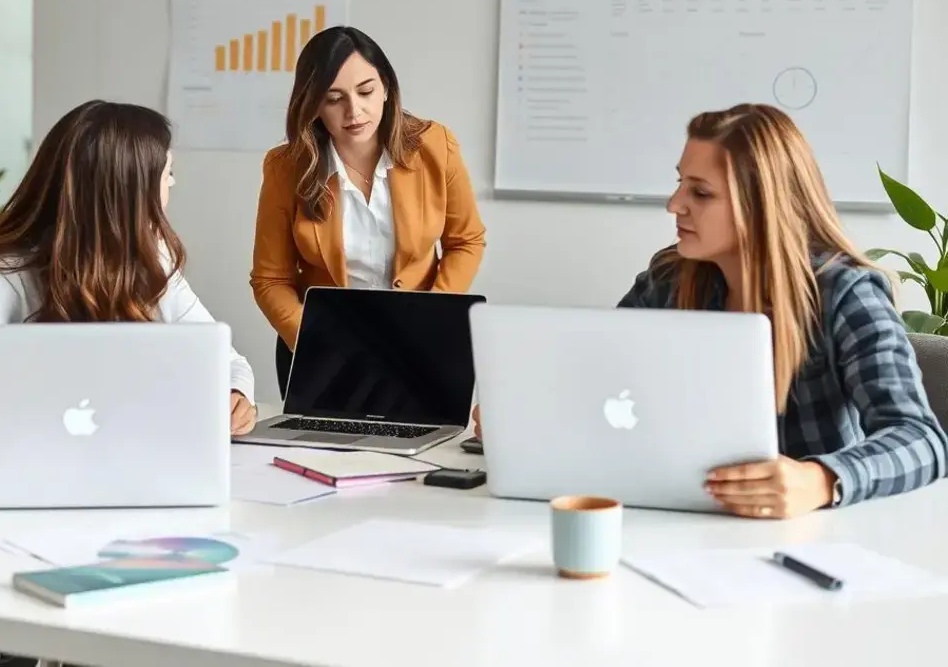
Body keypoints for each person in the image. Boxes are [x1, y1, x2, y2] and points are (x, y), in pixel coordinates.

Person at [472, 103, 947, 517]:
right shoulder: (668, 281)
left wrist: (820, 480)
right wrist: (524, 419)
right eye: (681, 184)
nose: (674, 204)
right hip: (676, 518)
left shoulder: (846, 293)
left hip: (806, 538)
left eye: (700, 193)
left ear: (763, 204)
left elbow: (922, 441)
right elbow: (596, 385)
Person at [0, 100, 257, 443]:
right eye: (166, 173)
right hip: (31, 471)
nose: (172, 183)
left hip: (129, 463)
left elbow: (225, 359)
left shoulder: (152, 261)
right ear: (127, 192)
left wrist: (236, 393)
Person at [250, 26, 486, 396]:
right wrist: (315, 342)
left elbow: (467, 240)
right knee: (320, 455)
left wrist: (429, 320)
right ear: (313, 104)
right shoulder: (285, 167)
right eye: (333, 98)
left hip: (418, 348)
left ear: (387, 88)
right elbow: (270, 279)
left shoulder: (435, 146)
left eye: (365, 91)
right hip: (323, 354)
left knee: (423, 450)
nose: (354, 111)